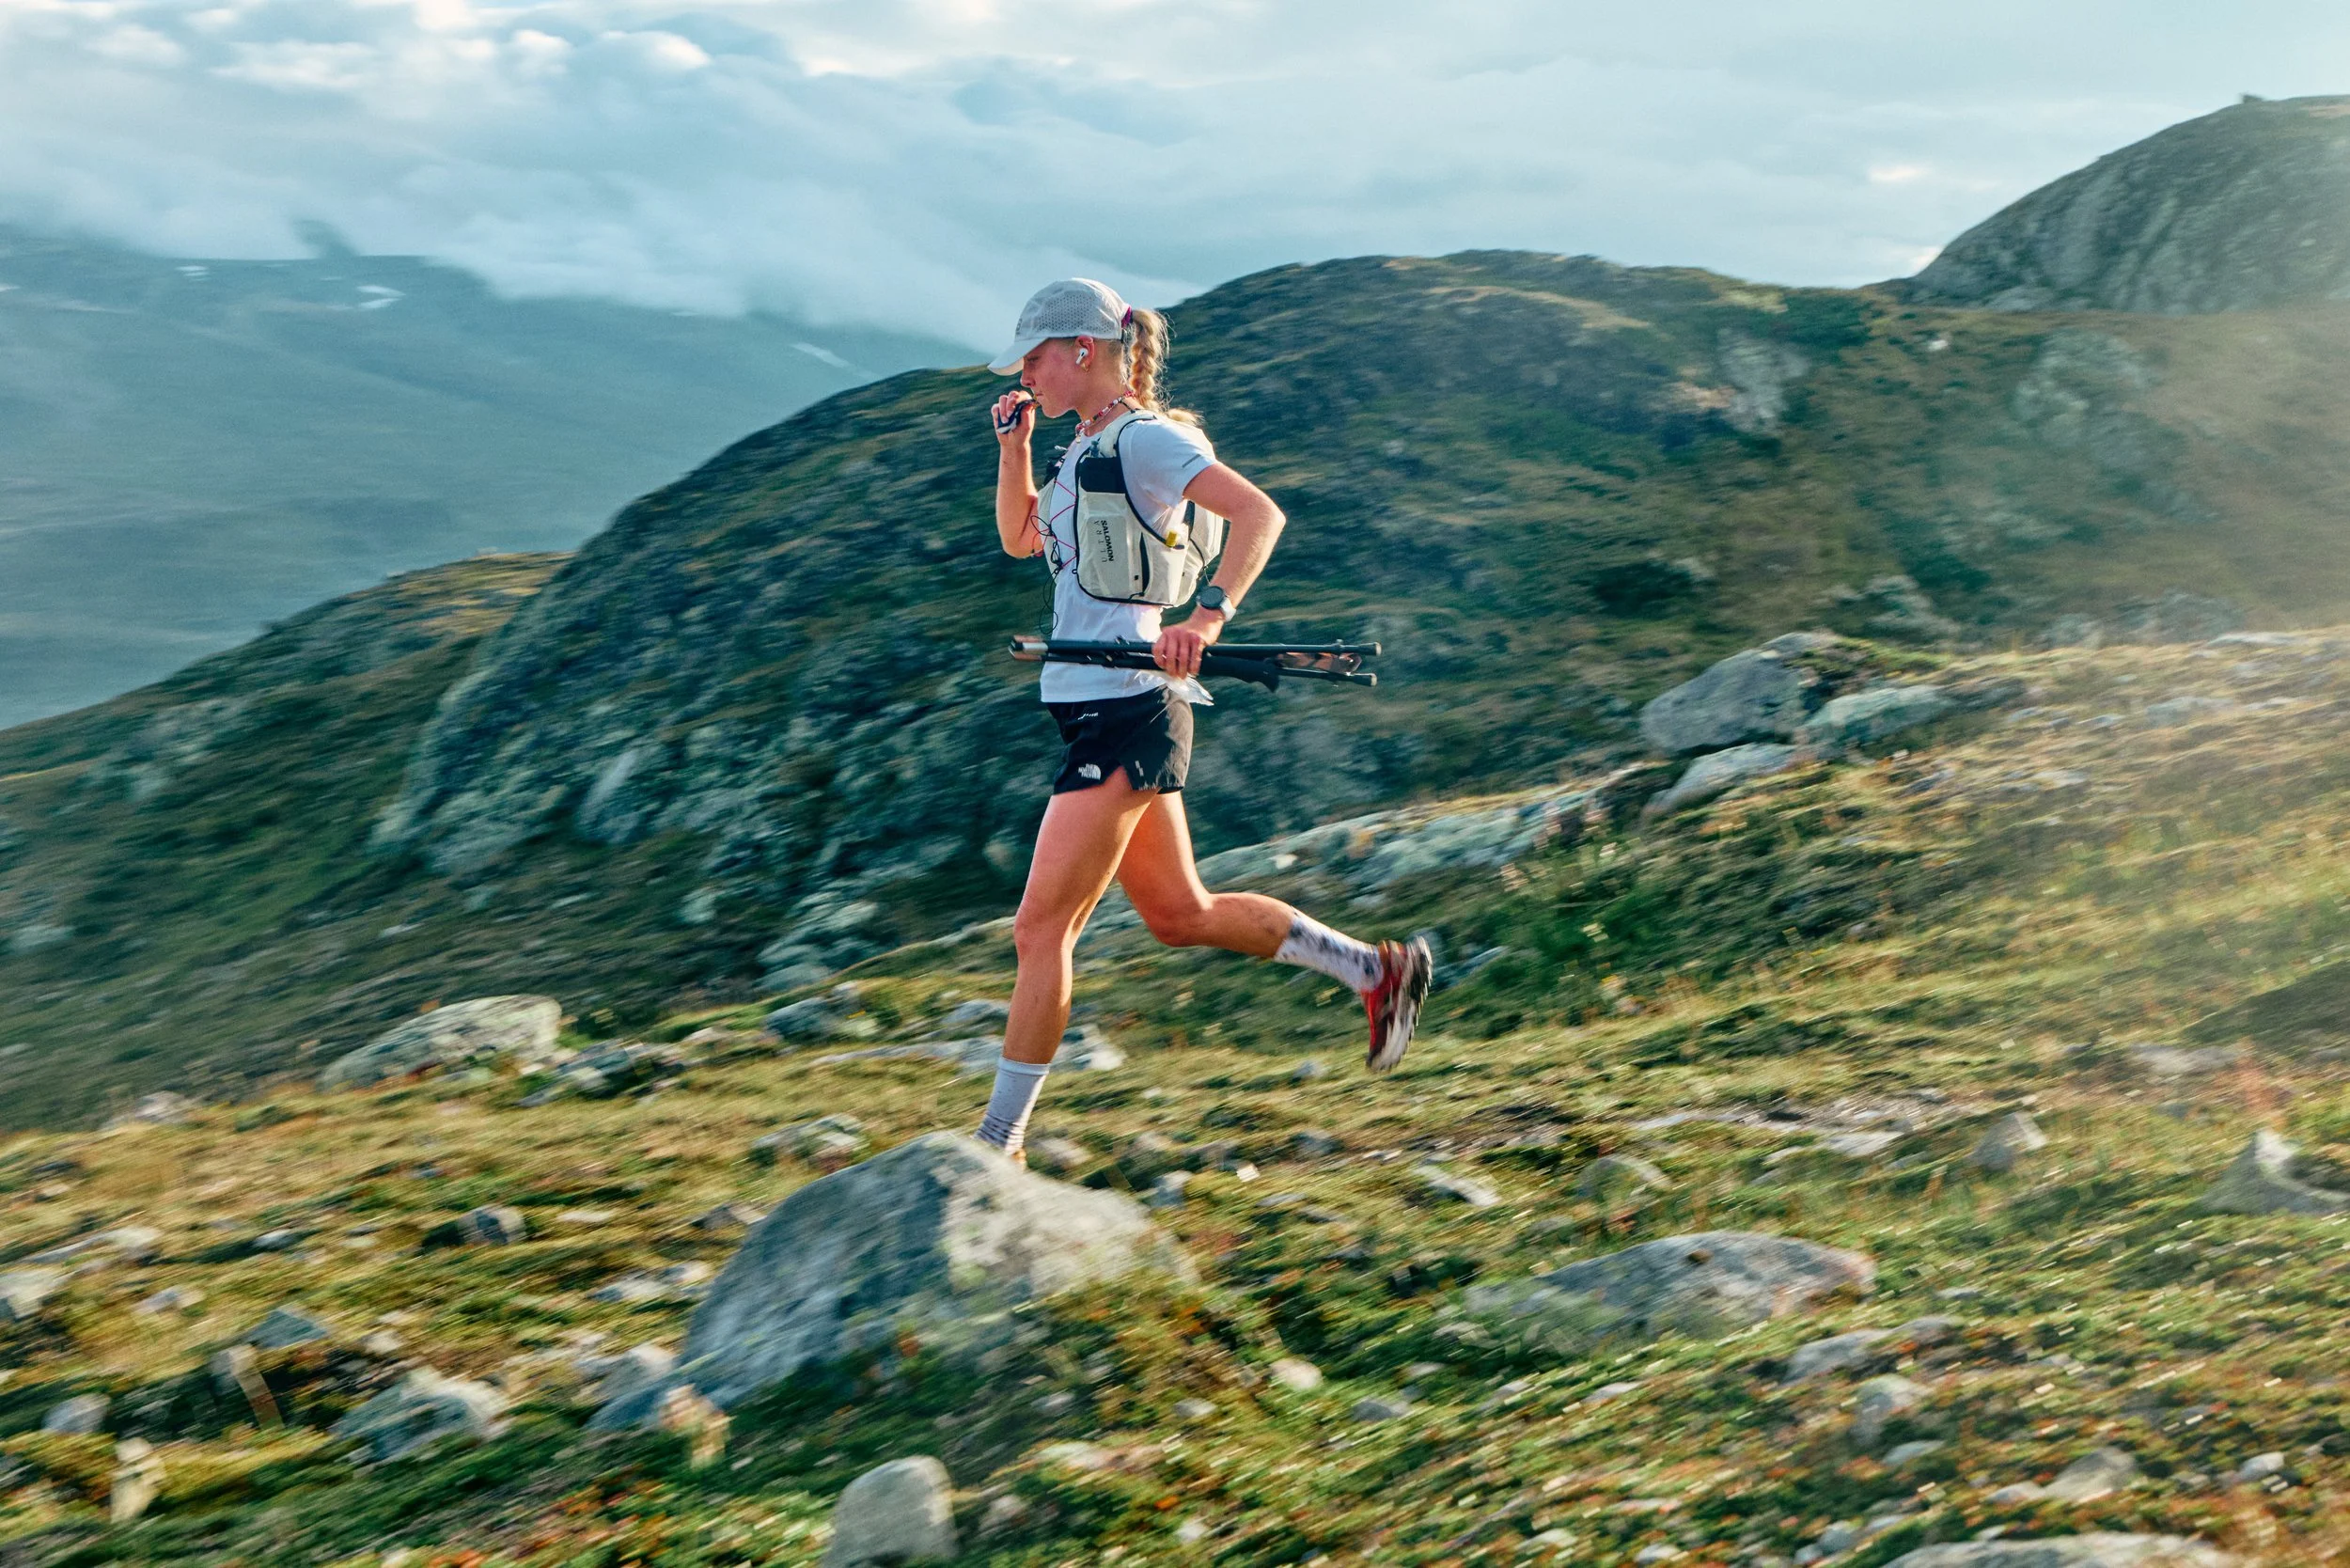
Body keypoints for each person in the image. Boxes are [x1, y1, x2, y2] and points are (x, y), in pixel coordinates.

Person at [974, 276, 1433, 1163]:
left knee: (1040, 930)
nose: (1025, 374)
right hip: (1094, 707)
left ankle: (998, 1146)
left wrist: (1208, 617)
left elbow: (1260, 513)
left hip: (1129, 710)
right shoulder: (1082, 447)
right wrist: (1015, 448)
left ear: (1082, 349)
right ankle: (1378, 972)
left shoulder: (1145, 440)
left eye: (1034, 358)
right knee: (1181, 913)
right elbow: (1021, 540)